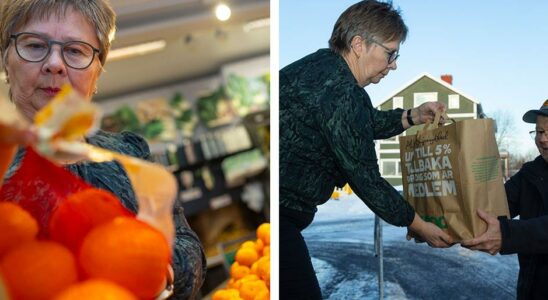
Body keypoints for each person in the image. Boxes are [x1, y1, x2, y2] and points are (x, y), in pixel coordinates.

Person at [0, 1, 205, 298]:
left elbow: (187, 245)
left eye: (74, 50)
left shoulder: (129, 153)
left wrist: (157, 275)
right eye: (34, 45)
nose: (55, 63)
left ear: (97, 72)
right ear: (7, 60)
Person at [279, 0, 453, 298]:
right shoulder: (343, 92)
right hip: (281, 218)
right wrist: (418, 223)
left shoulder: (319, 67)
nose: (394, 64)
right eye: (390, 53)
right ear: (359, 44)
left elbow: (363, 123)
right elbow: (365, 178)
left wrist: (413, 115)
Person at [461, 100, 548, 300]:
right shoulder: (530, 174)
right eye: (539, 132)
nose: (542, 139)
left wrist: (507, 235)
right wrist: (450, 216)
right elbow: (493, 204)